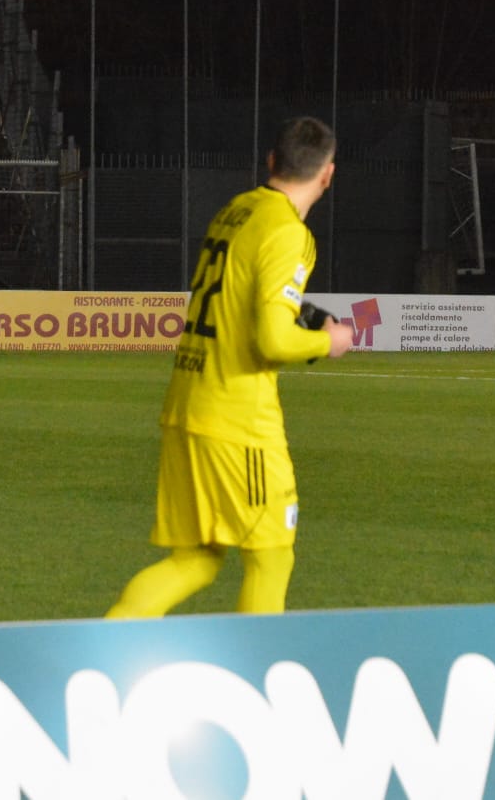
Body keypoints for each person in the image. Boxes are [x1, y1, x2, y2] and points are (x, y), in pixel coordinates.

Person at [108, 116, 354, 617]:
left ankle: (90, 661)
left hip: (188, 404)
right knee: (271, 558)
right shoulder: (288, 230)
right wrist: (328, 342)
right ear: (328, 174)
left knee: (196, 560)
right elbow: (271, 339)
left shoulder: (235, 211)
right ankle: (260, 684)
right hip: (238, 421)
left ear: (271, 162)